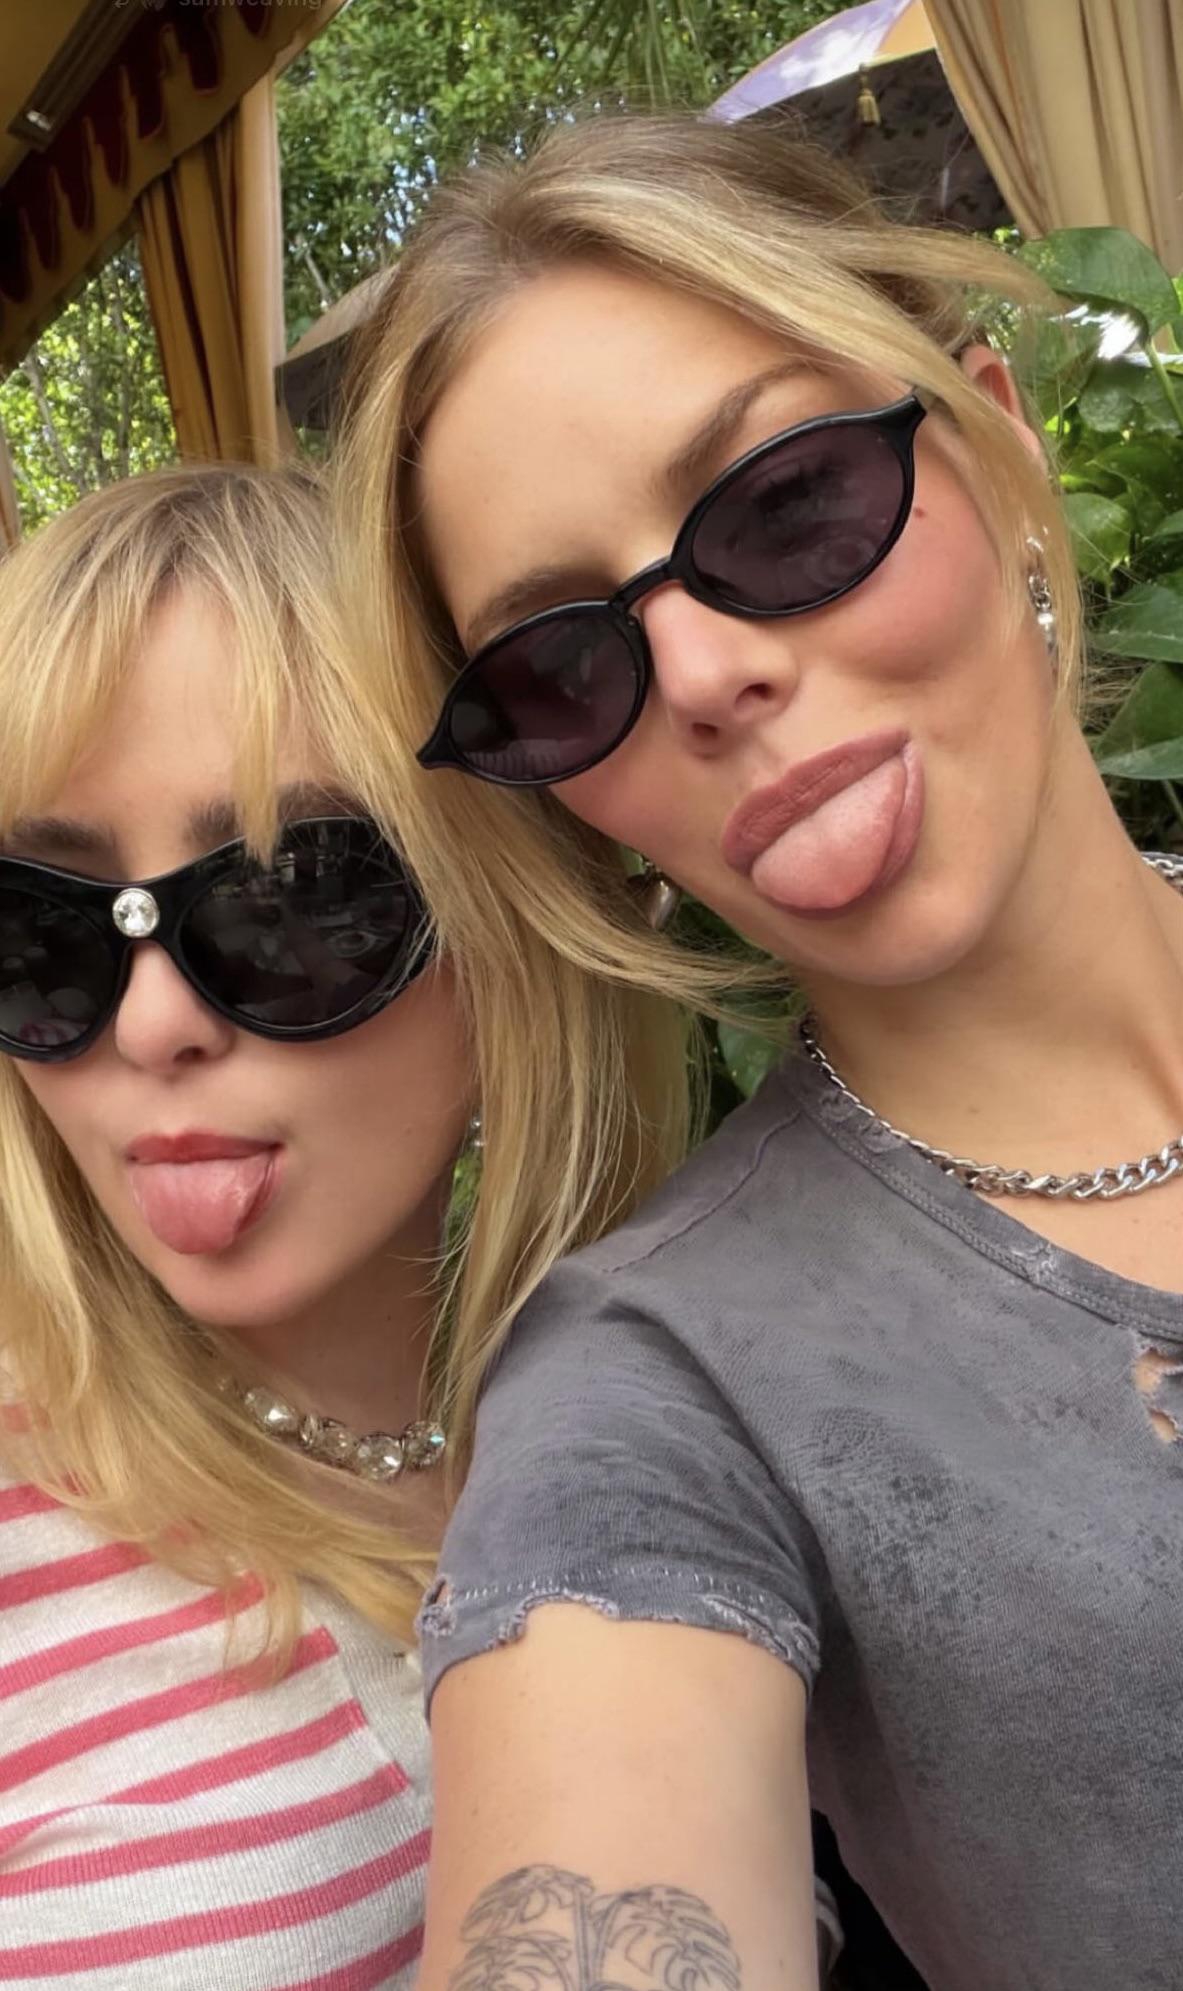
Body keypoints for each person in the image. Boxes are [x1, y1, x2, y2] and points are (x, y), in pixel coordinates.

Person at [332, 111, 1183, 1991]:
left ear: (998, 443)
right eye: (563, 666)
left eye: (785, 506)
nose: (708, 671)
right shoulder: (652, 1392)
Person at [0, 464, 690, 1987]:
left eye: (288, 899)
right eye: (39, 926)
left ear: (512, 922)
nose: (155, 1023)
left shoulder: (675, 1403)